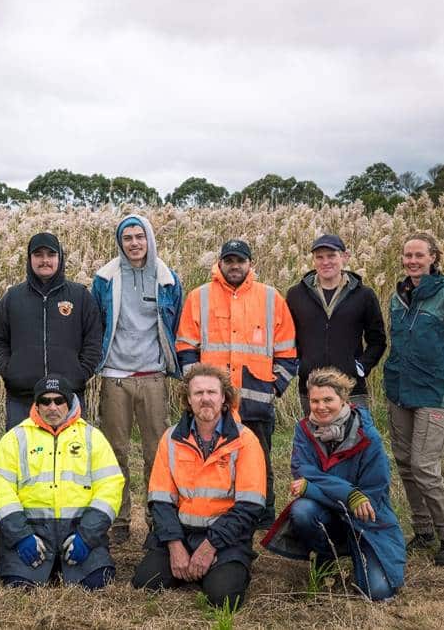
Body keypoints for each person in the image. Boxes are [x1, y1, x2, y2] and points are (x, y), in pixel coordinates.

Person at [175, 239, 297, 528]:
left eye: (240, 261)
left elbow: (288, 351)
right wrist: (197, 389)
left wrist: (273, 388)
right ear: (219, 264)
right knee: (210, 458)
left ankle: (264, 516)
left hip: (256, 400)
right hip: (210, 403)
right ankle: (217, 509)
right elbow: (185, 347)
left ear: (250, 264)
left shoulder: (270, 298)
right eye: (229, 260)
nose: (234, 266)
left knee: (259, 459)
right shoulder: (199, 296)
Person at [261, 368, 405, 601]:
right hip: (329, 511)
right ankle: (327, 555)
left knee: (377, 593)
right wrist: (349, 494)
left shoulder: (368, 436)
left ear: (344, 399)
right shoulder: (303, 429)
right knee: (302, 510)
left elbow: (371, 495)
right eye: (315, 401)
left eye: (328, 400)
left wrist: (313, 489)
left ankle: (357, 547)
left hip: (364, 518)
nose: (320, 407)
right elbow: (304, 471)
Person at [132, 364, 266, 609]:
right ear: (188, 400)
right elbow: (160, 501)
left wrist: (210, 547)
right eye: (198, 393)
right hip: (181, 533)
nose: (205, 399)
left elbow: (250, 506)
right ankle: (191, 567)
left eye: (212, 392)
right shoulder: (171, 438)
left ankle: (221, 568)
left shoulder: (245, 440)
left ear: (224, 397)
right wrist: (175, 546)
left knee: (223, 598)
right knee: (145, 582)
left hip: (225, 537)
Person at [384, 232, 444, 566]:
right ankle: (422, 530)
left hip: (434, 391)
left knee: (425, 465)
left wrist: (442, 368)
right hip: (399, 388)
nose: (412, 261)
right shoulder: (398, 297)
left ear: (433, 258)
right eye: (407, 255)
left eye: (419, 255)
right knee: (406, 463)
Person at [90, 214, 183, 543]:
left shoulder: (167, 278)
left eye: (139, 236)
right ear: (120, 242)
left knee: (155, 452)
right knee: (115, 450)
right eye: (127, 237)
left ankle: (156, 519)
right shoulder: (104, 278)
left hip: (153, 376)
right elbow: (97, 321)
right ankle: (120, 520)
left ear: (149, 239)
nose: (133, 243)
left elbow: (176, 324)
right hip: (115, 376)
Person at [0, 375, 124, 590]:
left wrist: (86, 537)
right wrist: (21, 536)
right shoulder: (15, 438)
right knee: (18, 586)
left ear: (69, 403)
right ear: (36, 406)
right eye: (45, 401)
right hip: (32, 534)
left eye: (59, 401)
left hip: (78, 532)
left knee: (99, 581)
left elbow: (110, 487)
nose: (52, 407)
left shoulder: (92, 437)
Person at [0, 232, 103, 430]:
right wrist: (10, 371)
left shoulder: (80, 296)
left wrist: (80, 373)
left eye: (51, 254)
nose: (45, 260)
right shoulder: (12, 297)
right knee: (22, 458)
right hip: (22, 399)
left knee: (69, 458)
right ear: (30, 259)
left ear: (59, 257)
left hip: (67, 398)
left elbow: (93, 340)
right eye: (38, 255)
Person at [286, 234, 386, 415]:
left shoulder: (364, 295)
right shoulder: (295, 295)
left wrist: (360, 367)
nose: (326, 262)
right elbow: (287, 335)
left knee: (356, 441)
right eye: (319, 257)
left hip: (351, 389)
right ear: (314, 260)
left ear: (344, 257)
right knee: (315, 441)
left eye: (331, 256)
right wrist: (299, 364)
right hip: (312, 389)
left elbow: (378, 339)